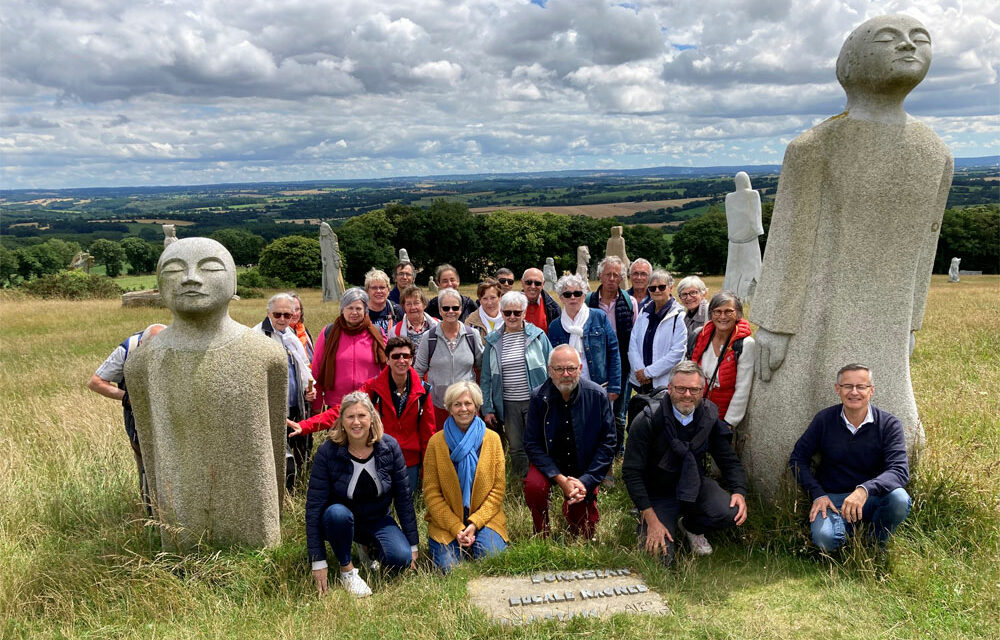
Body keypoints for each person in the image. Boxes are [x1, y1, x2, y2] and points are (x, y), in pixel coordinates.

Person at [623, 360, 748, 566]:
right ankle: (651, 520)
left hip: (694, 484)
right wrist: (651, 517)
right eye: (681, 388)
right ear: (670, 388)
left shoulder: (708, 417)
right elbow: (631, 473)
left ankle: (691, 526)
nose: (687, 395)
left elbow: (728, 459)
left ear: (702, 390)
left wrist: (739, 491)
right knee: (659, 559)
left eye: (694, 389)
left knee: (730, 512)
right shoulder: (647, 421)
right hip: (658, 493)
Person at [305, 392, 419, 598]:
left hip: (378, 519)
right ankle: (347, 570)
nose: (356, 422)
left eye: (362, 416)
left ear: (372, 418)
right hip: (340, 519)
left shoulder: (389, 447)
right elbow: (314, 506)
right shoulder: (327, 452)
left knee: (400, 559)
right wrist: (318, 560)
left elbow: (403, 498)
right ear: (341, 421)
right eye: (350, 417)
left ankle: (368, 549)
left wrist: (413, 545)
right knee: (336, 514)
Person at [291, 337, 437, 495]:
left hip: (410, 460)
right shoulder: (373, 387)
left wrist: (427, 475)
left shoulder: (423, 391)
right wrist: (305, 426)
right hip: (380, 457)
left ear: (412, 359)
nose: (401, 360)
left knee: (406, 504)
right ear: (387, 360)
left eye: (406, 356)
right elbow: (343, 411)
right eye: (395, 356)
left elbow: (428, 434)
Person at [789, 364, 911, 551]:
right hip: (833, 500)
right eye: (848, 386)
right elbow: (797, 458)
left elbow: (899, 471)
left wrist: (864, 489)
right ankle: (849, 537)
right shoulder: (824, 420)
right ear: (838, 389)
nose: (854, 392)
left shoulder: (888, 424)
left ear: (871, 391)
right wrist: (817, 493)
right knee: (825, 541)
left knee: (899, 499)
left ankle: (874, 545)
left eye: (861, 387)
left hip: (871, 498)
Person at [523, 345, 616, 538]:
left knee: (584, 532)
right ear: (550, 371)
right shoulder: (538, 398)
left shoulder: (597, 396)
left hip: (583, 465)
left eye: (571, 368)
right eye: (559, 369)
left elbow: (608, 444)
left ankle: (574, 511)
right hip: (549, 463)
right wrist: (560, 479)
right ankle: (542, 531)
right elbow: (531, 443)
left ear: (580, 368)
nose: (566, 374)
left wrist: (586, 481)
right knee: (534, 486)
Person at [422, 381, 508, 572]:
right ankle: (459, 544)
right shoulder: (436, 443)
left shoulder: (492, 440)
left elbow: (498, 490)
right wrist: (456, 528)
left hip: (485, 518)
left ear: (477, 407)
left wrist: (475, 523)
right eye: (457, 404)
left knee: (491, 560)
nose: (463, 409)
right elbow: (431, 493)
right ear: (449, 408)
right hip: (447, 522)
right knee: (449, 569)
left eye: (468, 403)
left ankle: (478, 540)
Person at [88, 323, 166, 513]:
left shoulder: (174, 343)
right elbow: (96, 382)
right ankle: (152, 515)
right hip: (137, 417)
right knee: (146, 466)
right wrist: (126, 397)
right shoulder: (128, 348)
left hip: (169, 416)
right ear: (142, 344)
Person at [480, 290, 553, 479]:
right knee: (516, 446)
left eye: (517, 312)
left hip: (535, 400)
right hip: (508, 403)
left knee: (538, 442)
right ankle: (522, 481)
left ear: (524, 312)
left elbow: (552, 367)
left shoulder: (538, 336)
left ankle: (541, 480)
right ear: (502, 313)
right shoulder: (493, 341)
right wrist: (488, 408)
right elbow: (486, 378)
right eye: (507, 312)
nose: (512, 317)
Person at [253, 293, 318, 492]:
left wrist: (310, 390)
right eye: (277, 314)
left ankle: (294, 496)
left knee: (300, 455)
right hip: (271, 412)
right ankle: (277, 498)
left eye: (287, 315)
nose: (282, 319)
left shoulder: (290, 336)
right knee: (278, 461)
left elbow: (303, 368)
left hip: (295, 407)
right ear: (268, 313)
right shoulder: (256, 337)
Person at [586, 255, 638, 456]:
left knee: (619, 412)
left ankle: (617, 451)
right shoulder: (589, 300)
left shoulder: (629, 301)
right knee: (595, 409)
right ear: (599, 275)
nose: (611, 279)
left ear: (622, 278)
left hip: (621, 365)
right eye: (608, 274)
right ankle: (597, 448)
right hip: (595, 364)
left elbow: (633, 334)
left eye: (616, 275)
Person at [414, 288, 484, 430]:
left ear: (461, 309)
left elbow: (481, 367)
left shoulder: (472, 335)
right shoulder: (429, 337)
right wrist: (421, 401)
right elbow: (418, 371)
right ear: (439, 310)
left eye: (455, 307)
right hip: (438, 406)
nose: (450, 311)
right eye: (446, 308)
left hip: (467, 405)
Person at [688, 292, 756, 428]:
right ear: (711, 314)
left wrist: (729, 423)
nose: (722, 317)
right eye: (717, 312)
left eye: (728, 311)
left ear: (738, 314)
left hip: (724, 413)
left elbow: (743, 388)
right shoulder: (701, 335)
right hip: (697, 408)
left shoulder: (745, 344)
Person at [547, 274, 621, 400]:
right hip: (566, 388)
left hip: (599, 386)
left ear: (584, 295)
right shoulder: (555, 326)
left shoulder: (599, 317)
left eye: (577, 293)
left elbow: (613, 352)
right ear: (561, 298)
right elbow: (552, 361)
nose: (573, 297)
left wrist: (614, 386)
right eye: (567, 294)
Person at [312, 288, 387, 412]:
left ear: (365, 311)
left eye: (358, 308)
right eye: (350, 308)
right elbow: (317, 370)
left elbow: (386, 368)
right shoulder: (329, 333)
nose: (354, 312)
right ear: (342, 310)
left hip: (370, 404)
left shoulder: (376, 333)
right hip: (337, 406)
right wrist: (316, 405)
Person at [629, 270, 686, 393]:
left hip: (664, 384)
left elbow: (677, 353)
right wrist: (640, 371)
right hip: (642, 382)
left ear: (671, 288)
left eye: (661, 287)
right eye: (652, 288)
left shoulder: (679, 316)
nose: (657, 291)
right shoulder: (644, 311)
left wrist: (649, 373)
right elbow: (633, 342)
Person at [392, 285, 438, 350]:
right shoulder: (394, 331)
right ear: (403, 307)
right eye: (408, 304)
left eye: (416, 303)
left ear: (424, 304)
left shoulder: (439, 325)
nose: (413, 307)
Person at [365, 268, 404, 335]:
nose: (378, 291)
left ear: (388, 290)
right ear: (367, 291)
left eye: (382, 287)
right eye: (374, 288)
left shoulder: (396, 310)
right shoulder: (361, 312)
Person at [521, 267, 560, 332]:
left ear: (543, 284)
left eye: (537, 283)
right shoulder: (511, 306)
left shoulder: (553, 308)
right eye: (528, 282)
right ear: (522, 283)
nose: (533, 286)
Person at [288, 292, 315, 362]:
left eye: (297, 309)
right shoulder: (280, 334)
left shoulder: (304, 330)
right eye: (290, 309)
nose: (294, 313)